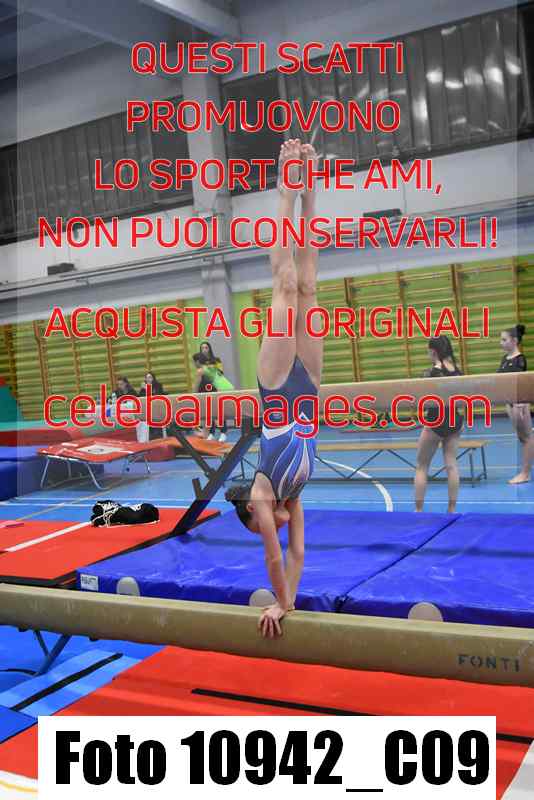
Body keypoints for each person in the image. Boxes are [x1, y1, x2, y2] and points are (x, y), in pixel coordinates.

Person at [225, 139, 322, 638]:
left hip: (280, 386)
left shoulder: (265, 498)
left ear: (252, 512)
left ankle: (286, 189)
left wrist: (279, 604)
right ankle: (311, 193)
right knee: (307, 286)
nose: (274, 528)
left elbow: (274, 557)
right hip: (310, 390)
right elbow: (298, 553)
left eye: (262, 526)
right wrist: (291, 603)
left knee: (284, 286)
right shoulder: (294, 495)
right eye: (269, 527)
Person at [415, 335, 463, 513]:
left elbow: (423, 401)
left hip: (436, 422)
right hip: (454, 421)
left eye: (428, 351)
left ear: (433, 352)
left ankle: (418, 510)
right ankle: (452, 509)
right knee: (451, 465)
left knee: (422, 466)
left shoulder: (431, 374)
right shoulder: (457, 371)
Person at [498, 324, 533, 484]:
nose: (501, 343)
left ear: (514, 341)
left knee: (526, 438)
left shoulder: (520, 359)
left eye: (504, 340)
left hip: (519, 404)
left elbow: (518, 384)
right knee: (522, 438)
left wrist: (519, 406)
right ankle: (524, 472)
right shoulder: (504, 360)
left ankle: (525, 473)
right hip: (509, 404)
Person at [193, 342, 232, 442]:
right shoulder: (200, 361)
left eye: (206, 347)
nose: (204, 350)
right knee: (209, 412)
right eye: (202, 348)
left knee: (218, 411)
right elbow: (199, 376)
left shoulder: (216, 360)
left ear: (209, 349)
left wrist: (211, 368)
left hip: (213, 387)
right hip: (203, 388)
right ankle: (211, 432)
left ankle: (223, 431)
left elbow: (220, 373)